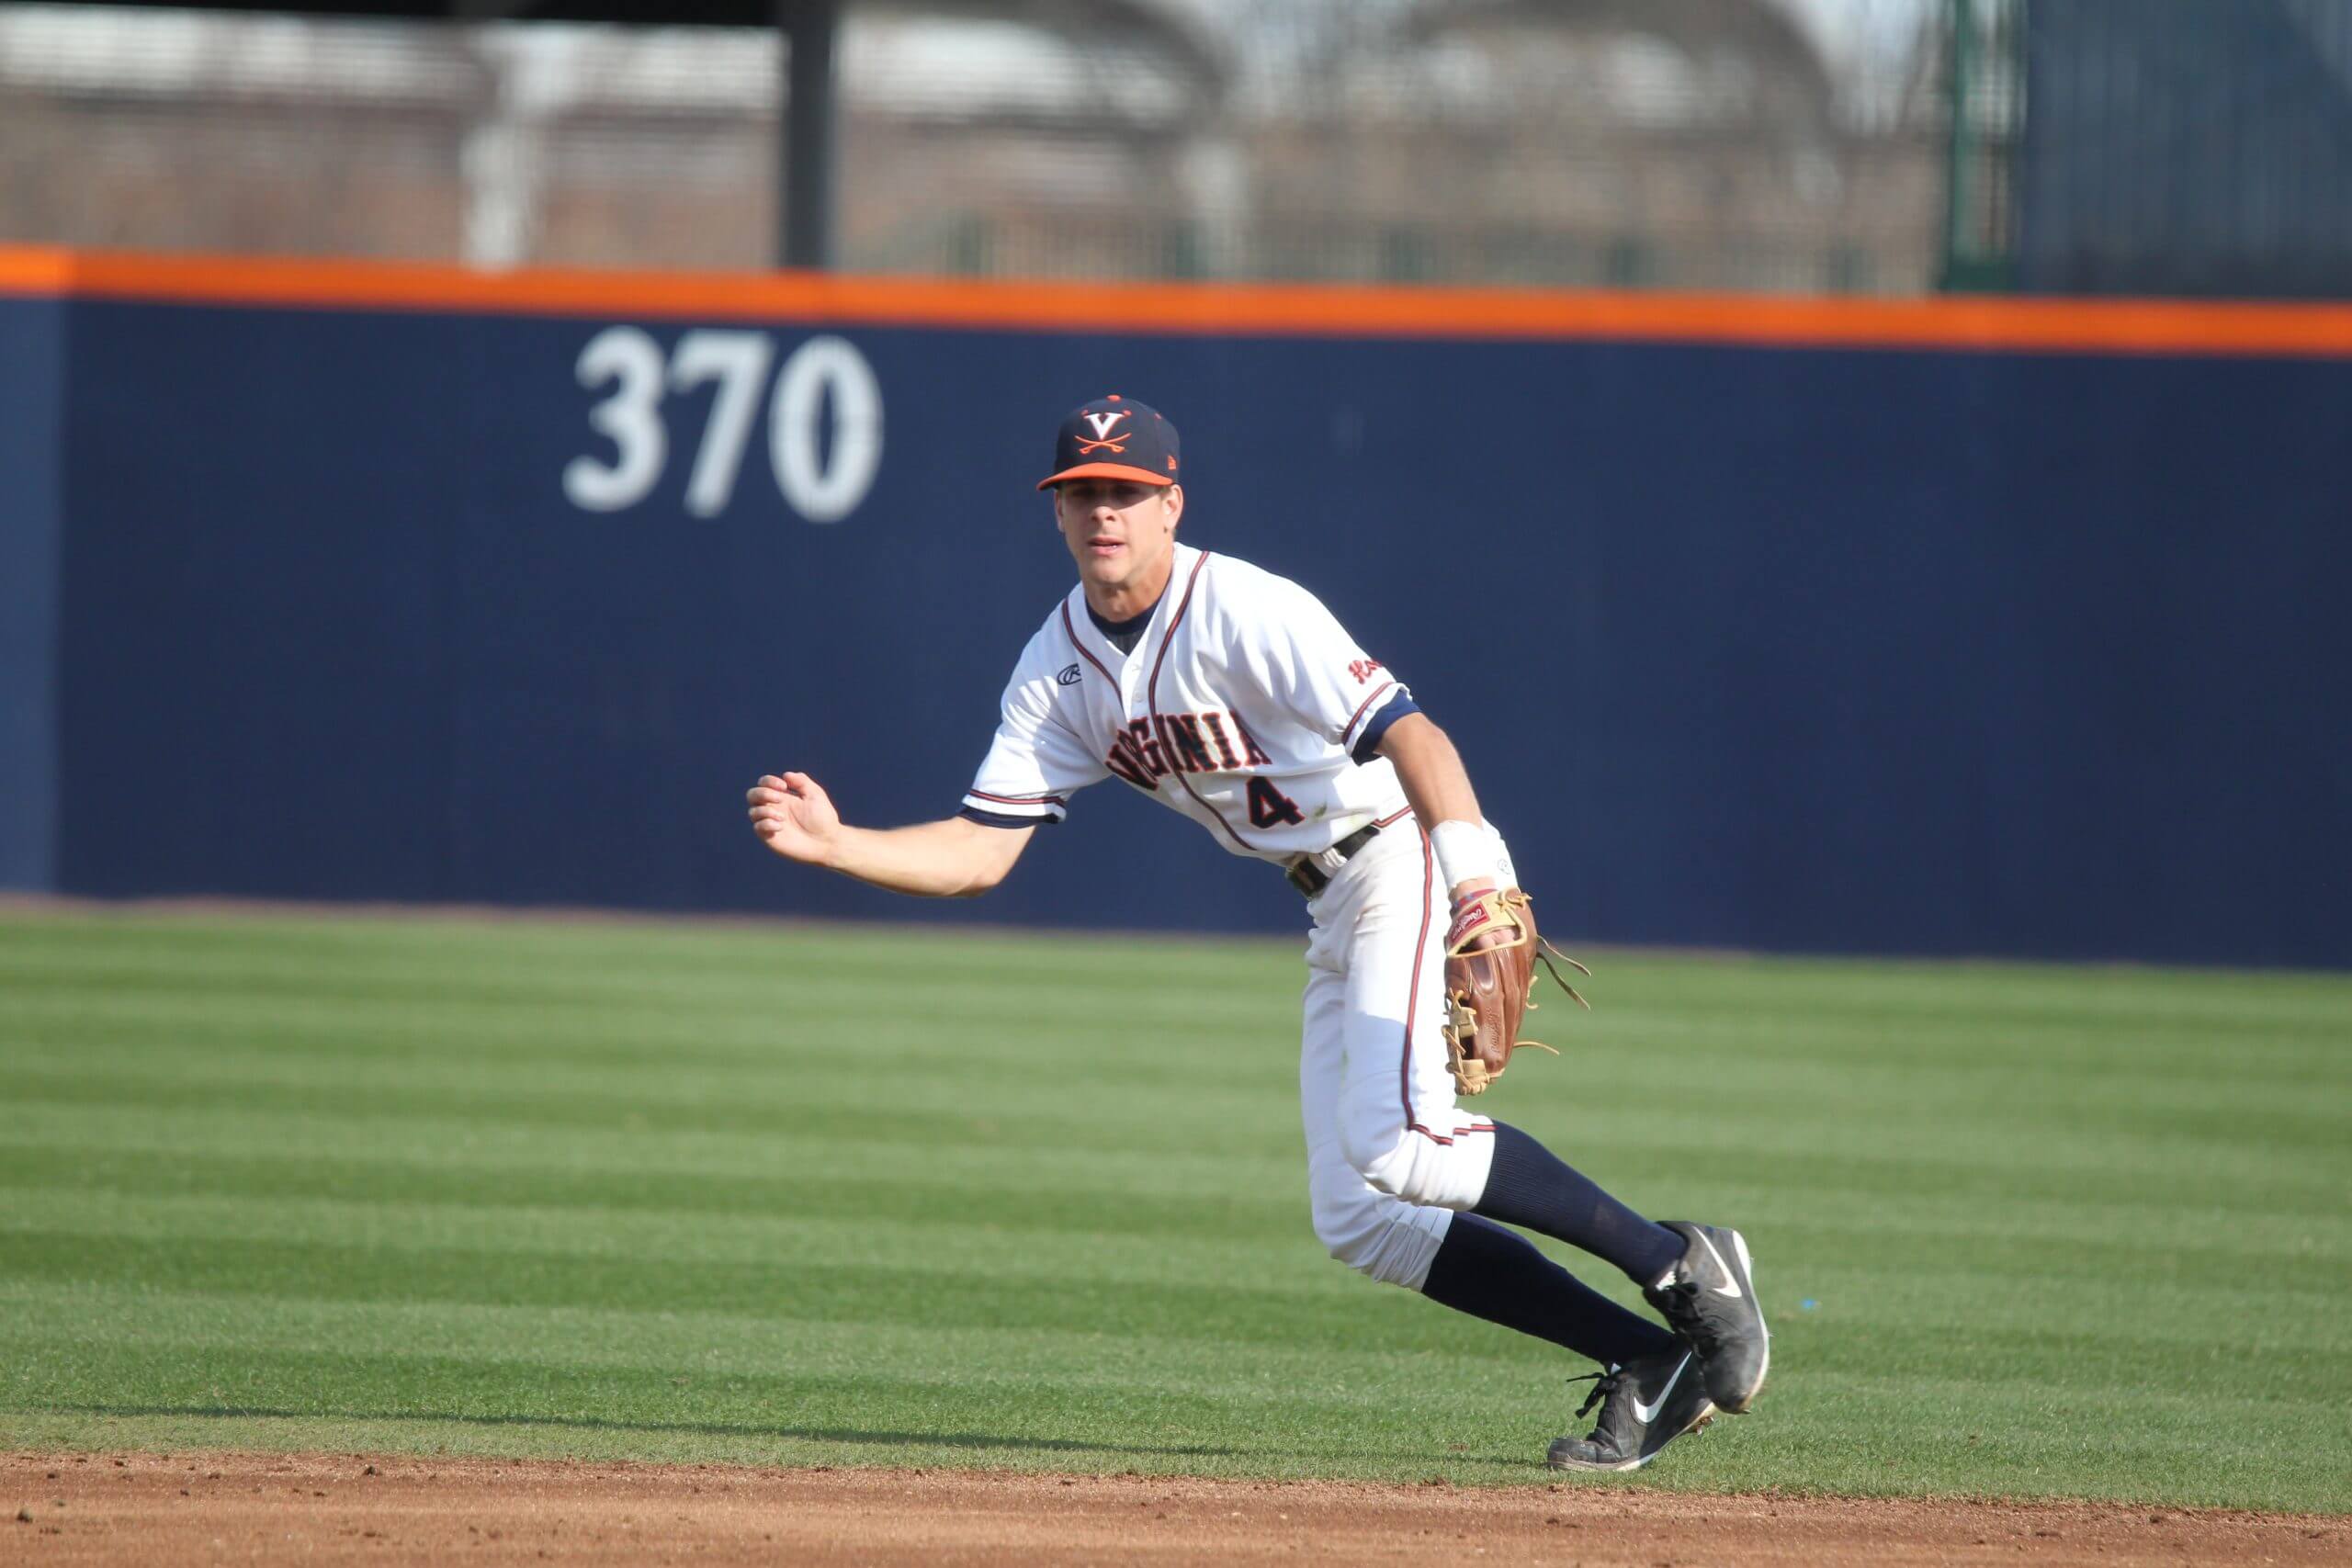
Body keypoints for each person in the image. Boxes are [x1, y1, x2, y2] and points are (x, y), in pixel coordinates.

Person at [747, 395, 1768, 1471]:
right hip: (1326, 897)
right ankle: (1647, 1361)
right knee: (1361, 1218)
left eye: (1128, 493)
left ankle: (1681, 1264)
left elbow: (1414, 735)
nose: (1106, 512)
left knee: (1400, 1140)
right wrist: (839, 845)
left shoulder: (1246, 609)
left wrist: (1477, 878)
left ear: (1170, 504)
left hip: (1397, 853)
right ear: (1056, 514)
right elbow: (980, 853)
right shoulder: (1054, 673)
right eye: (1083, 493)